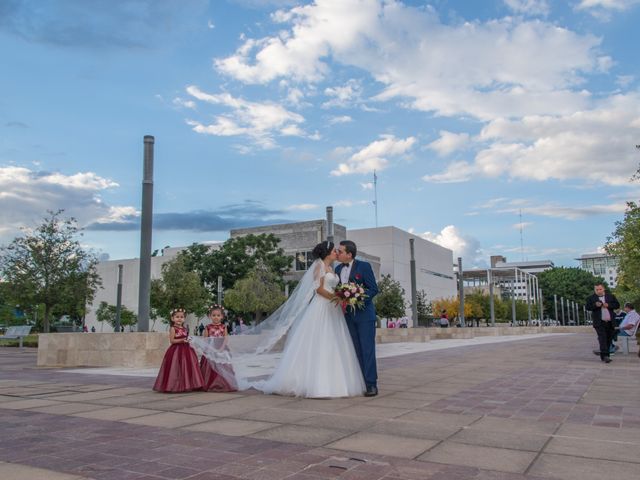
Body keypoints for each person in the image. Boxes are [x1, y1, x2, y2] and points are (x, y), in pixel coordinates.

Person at [259, 241, 365, 397]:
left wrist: (343, 295)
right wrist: (337, 297)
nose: (337, 252)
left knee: (335, 342)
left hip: (333, 310)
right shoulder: (319, 266)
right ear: (328, 253)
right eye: (334, 250)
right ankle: (313, 383)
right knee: (319, 341)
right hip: (321, 306)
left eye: (338, 250)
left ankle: (337, 382)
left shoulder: (334, 269)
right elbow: (319, 289)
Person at [336, 240, 379, 397]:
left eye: (340, 251)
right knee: (355, 350)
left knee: (367, 349)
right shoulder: (338, 269)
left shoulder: (364, 267)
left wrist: (358, 297)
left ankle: (371, 384)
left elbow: (374, 289)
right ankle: (360, 381)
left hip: (365, 315)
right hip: (347, 316)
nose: (338, 253)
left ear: (349, 254)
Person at [153, 308, 204, 393]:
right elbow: (172, 341)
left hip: (186, 350)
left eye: (182, 317)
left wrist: (189, 339)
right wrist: (182, 340)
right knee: (176, 367)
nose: (179, 319)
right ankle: (174, 385)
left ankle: (186, 384)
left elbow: (186, 337)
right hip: (176, 350)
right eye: (177, 317)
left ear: (184, 319)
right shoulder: (173, 328)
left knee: (186, 367)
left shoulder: (184, 328)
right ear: (172, 318)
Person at [199, 305, 237, 392]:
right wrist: (209, 349)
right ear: (210, 316)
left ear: (222, 316)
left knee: (222, 366)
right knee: (210, 366)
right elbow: (205, 339)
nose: (216, 317)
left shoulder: (223, 327)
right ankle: (209, 383)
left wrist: (222, 348)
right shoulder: (207, 327)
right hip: (210, 348)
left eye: (218, 315)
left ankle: (223, 383)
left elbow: (225, 338)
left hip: (221, 347)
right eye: (214, 315)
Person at [586, 284, 620, 364]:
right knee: (602, 339)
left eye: (600, 289)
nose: (598, 291)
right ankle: (605, 356)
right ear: (595, 290)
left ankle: (606, 355)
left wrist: (608, 305)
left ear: (603, 289)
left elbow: (617, 305)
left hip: (610, 322)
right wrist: (595, 305)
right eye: (597, 290)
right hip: (599, 323)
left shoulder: (611, 296)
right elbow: (587, 307)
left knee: (608, 339)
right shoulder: (591, 298)